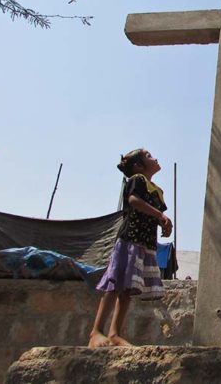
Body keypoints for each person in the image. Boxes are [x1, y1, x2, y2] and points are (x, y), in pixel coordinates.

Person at [88, 149, 172, 348]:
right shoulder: (137, 180)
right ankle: (96, 331)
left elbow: (153, 213)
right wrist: (160, 216)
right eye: (149, 156)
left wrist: (163, 223)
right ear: (138, 166)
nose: (155, 158)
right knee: (115, 284)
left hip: (144, 243)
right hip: (129, 240)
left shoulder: (157, 191)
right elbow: (134, 201)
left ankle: (114, 333)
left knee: (127, 289)